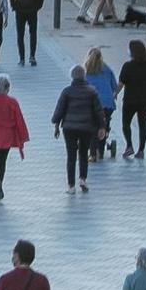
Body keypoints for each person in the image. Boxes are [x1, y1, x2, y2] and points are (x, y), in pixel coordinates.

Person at [52, 65, 107, 194]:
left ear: (72, 76)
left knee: (71, 155)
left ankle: (71, 186)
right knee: (83, 153)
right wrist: (102, 127)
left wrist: (56, 124)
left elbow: (60, 110)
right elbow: (98, 111)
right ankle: (83, 179)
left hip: (69, 127)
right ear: (84, 76)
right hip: (86, 127)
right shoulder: (92, 91)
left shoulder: (67, 91)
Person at [117, 40, 146, 160]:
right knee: (143, 124)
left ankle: (129, 146)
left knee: (126, 123)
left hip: (130, 100)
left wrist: (115, 93)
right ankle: (141, 150)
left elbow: (121, 83)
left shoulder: (127, 66)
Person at [83, 47, 118, 161]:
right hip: (108, 103)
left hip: (92, 103)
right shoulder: (106, 69)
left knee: (93, 125)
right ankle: (101, 151)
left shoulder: (86, 70)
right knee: (104, 124)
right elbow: (114, 86)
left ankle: (93, 153)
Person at [10, 0, 45, 66]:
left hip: (20, 12)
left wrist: (15, 7)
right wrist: (36, 8)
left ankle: (21, 59)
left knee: (20, 35)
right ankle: (32, 56)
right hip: (32, 12)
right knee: (33, 33)